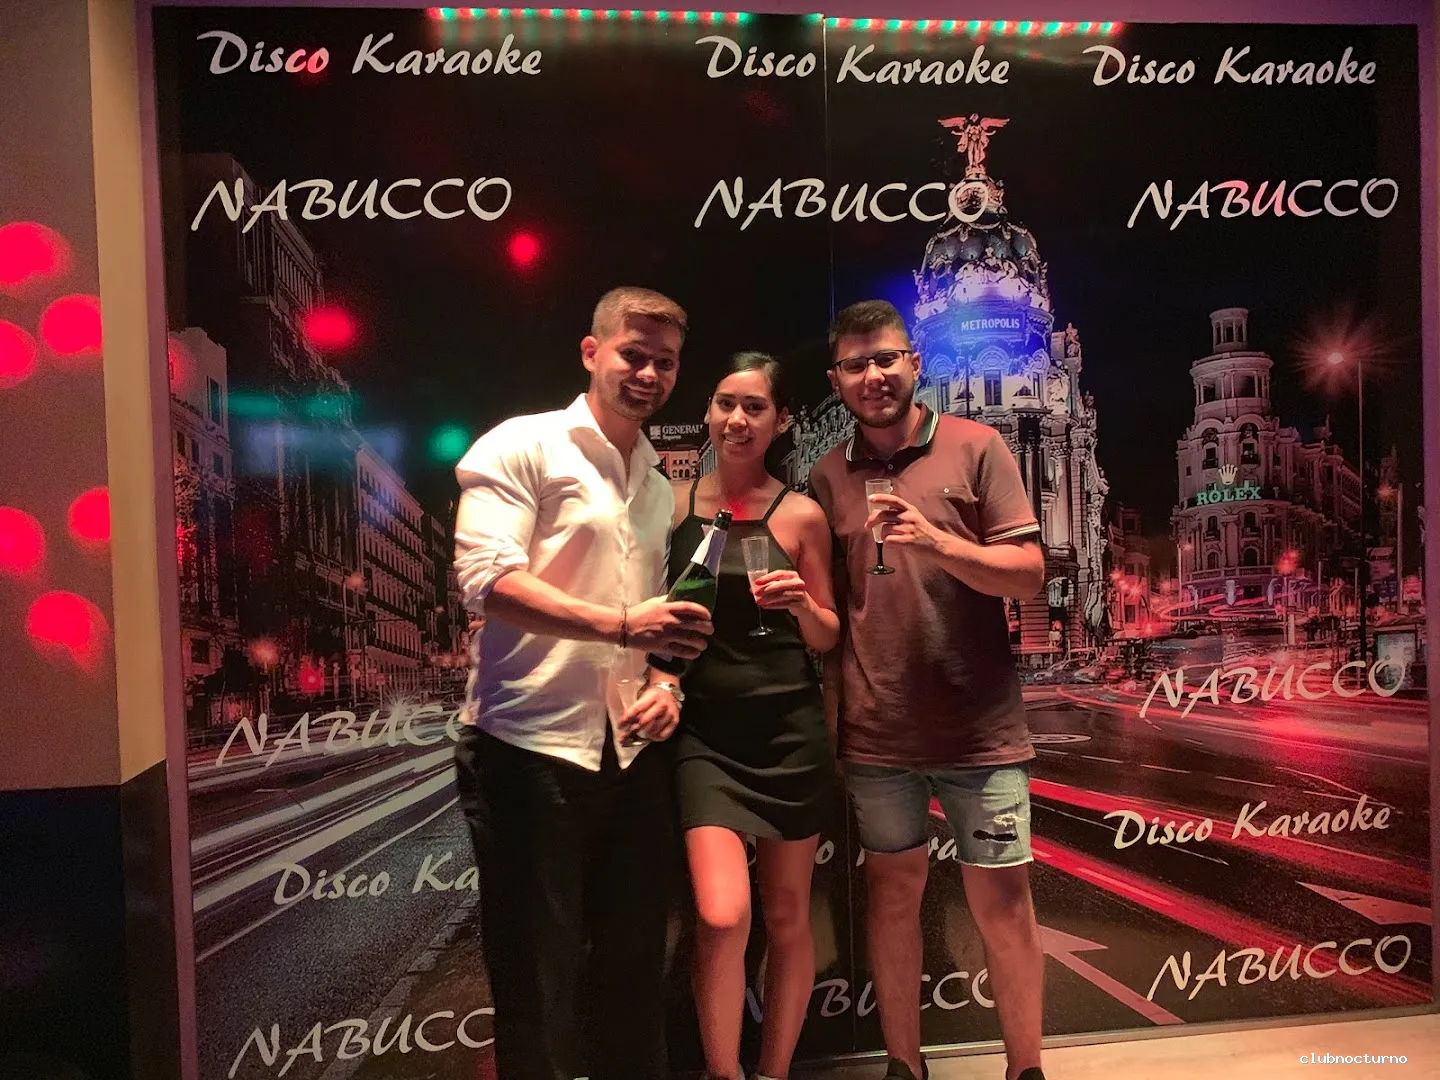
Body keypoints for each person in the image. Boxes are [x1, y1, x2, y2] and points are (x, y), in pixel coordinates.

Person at [451, 286, 715, 1080]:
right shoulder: (521, 445)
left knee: (634, 974)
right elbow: (487, 582)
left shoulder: (657, 484)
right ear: (591, 351)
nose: (649, 374)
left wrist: (665, 685)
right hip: (527, 751)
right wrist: (624, 626)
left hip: (628, 755)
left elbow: (656, 614)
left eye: (666, 363)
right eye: (634, 354)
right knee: (537, 981)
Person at [807, 301, 1049, 1080]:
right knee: (890, 901)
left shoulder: (977, 446)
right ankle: (903, 1066)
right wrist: (834, 729)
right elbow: (836, 618)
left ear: (914, 364)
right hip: (878, 736)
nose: (873, 376)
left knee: (1004, 908)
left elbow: (1028, 575)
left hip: (981, 732)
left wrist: (938, 540)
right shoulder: (826, 476)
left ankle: (1025, 1069)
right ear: (836, 380)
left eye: (886, 358)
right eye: (856, 365)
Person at [670, 352, 840, 1080]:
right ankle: (724, 1073)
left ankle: (772, 1073)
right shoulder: (671, 504)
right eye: (725, 403)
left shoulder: (800, 514)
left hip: (789, 731)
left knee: (790, 918)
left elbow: (828, 636)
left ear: (781, 421)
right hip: (704, 734)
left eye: (755, 407)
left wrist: (801, 604)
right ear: (709, 411)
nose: (736, 419)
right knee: (720, 916)